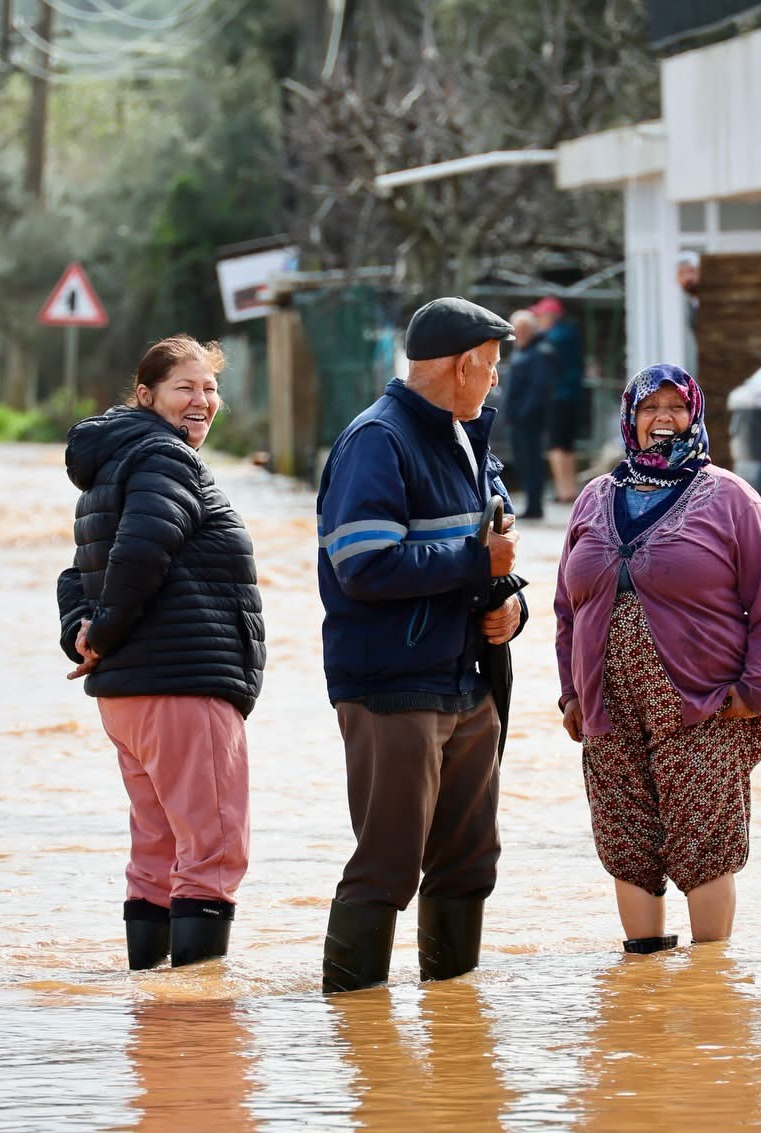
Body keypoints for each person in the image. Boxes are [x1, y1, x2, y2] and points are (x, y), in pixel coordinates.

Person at [316, 296, 526, 994]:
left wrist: (512, 605)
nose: (494, 380)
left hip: (466, 681)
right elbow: (363, 563)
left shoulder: (466, 437)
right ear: (464, 364)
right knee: (387, 863)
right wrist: (478, 567)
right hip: (392, 685)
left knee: (470, 864)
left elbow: (493, 550)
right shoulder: (377, 441)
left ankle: (454, 1040)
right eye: (490, 366)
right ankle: (358, 1038)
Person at [553, 363, 761, 954]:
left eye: (675, 407)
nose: (663, 419)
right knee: (627, 843)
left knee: (703, 842)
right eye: (649, 408)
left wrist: (752, 693)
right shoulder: (594, 497)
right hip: (608, 707)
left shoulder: (730, 498)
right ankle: (645, 990)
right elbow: (565, 609)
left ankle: (712, 991)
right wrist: (571, 694)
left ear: (694, 413)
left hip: (703, 705)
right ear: (630, 419)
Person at [56, 335, 266, 970]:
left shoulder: (114, 463)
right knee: (212, 853)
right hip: (183, 683)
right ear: (146, 395)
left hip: (129, 695)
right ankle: (198, 1027)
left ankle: (151, 1014)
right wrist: (106, 632)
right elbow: (143, 552)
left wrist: (84, 633)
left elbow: (77, 574)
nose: (203, 401)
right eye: (186, 388)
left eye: (210, 389)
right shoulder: (165, 458)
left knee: (157, 852)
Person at [530, 296, 585, 504]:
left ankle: (563, 491)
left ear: (550, 315)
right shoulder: (570, 333)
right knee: (568, 445)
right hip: (573, 395)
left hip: (557, 397)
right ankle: (570, 489)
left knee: (556, 446)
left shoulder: (552, 338)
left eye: (540, 316)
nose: (538, 320)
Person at [501, 308, 551, 519]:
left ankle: (535, 506)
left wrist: (523, 413)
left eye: (522, 329)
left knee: (532, 461)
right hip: (516, 419)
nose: (518, 334)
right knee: (521, 461)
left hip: (529, 419)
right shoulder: (520, 351)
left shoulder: (540, 352)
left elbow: (539, 388)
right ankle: (530, 504)